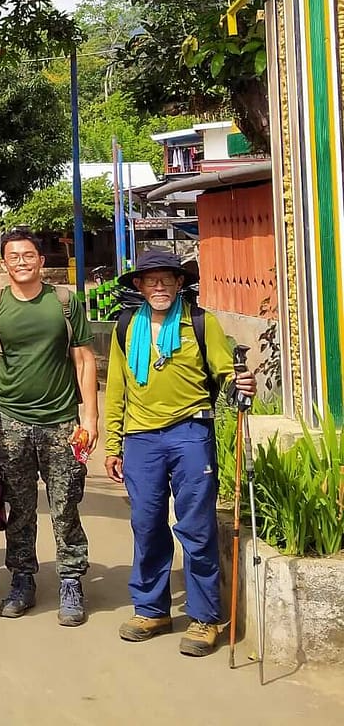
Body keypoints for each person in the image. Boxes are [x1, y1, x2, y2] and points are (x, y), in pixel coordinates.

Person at [104, 249, 256, 657]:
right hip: (140, 439)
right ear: (139, 285)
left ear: (178, 284)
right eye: (150, 280)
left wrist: (242, 384)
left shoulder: (201, 323)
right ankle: (152, 609)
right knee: (147, 524)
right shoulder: (125, 327)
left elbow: (227, 373)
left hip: (191, 432)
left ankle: (205, 617)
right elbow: (116, 388)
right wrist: (112, 443)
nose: (158, 286)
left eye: (166, 279)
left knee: (197, 527)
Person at [0, 228, 98, 626]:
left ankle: (71, 580)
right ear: (4, 262)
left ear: (41, 261)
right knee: (19, 509)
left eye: (29, 255)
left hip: (61, 421)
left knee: (65, 505)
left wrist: (90, 417)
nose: (22, 262)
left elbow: (83, 360)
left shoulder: (63, 302)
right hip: (10, 422)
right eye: (14, 256)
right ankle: (22, 578)